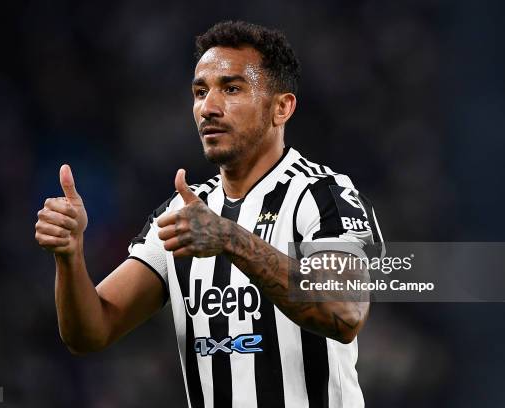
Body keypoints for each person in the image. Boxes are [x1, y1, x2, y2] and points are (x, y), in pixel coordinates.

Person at [35, 20, 383, 408]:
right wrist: (70, 257)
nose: (208, 108)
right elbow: (90, 333)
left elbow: (345, 312)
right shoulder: (182, 211)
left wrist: (230, 239)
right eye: (200, 92)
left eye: (231, 89)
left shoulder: (324, 194)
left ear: (281, 107)